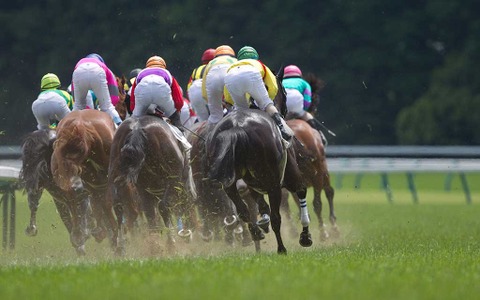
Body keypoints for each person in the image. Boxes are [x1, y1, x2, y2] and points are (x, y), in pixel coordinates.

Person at [223, 46, 294, 143]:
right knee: (267, 104)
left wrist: (234, 103)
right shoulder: (259, 64)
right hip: (251, 73)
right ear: (256, 57)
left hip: (230, 76)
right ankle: (283, 130)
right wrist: (267, 101)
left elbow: (227, 96)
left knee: (241, 112)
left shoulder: (232, 66)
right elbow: (273, 86)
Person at [129, 55, 184, 131]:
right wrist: (175, 114)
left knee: (133, 122)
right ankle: (181, 135)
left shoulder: (141, 74)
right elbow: (178, 101)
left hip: (143, 90)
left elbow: (132, 100)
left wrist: (135, 112)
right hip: (161, 90)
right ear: (163, 66)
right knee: (175, 119)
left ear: (147, 66)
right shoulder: (167, 73)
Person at [71, 53, 123, 126]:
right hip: (97, 71)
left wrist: (78, 104)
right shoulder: (103, 66)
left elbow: (74, 96)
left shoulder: (80, 63)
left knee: (78, 106)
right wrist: (108, 106)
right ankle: (119, 125)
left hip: (78, 71)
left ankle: (68, 126)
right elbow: (114, 96)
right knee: (108, 107)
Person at [282, 65, 327, 143]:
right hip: (297, 105)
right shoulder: (304, 83)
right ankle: (320, 136)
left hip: (283, 106)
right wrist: (303, 111)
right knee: (308, 116)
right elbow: (307, 100)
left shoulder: (280, 82)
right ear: (299, 75)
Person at [202, 45, 237, 124]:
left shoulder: (210, 63)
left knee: (215, 116)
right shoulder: (235, 61)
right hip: (230, 74)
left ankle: (210, 134)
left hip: (213, 75)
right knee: (237, 111)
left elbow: (204, 92)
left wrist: (215, 102)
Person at [186, 48, 215, 122]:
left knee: (201, 120)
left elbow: (188, 89)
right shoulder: (215, 67)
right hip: (208, 91)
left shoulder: (196, 70)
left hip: (194, 93)